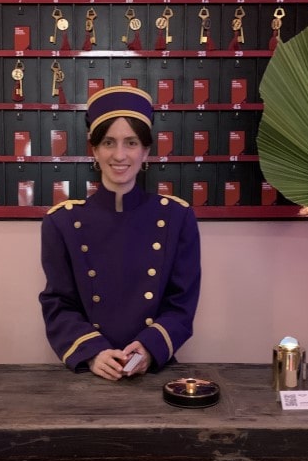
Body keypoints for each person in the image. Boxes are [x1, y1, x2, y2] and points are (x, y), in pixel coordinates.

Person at [38, 85, 202, 381]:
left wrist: (150, 348)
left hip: (154, 370)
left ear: (146, 151)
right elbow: (58, 304)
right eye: (109, 143)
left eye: (131, 142)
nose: (120, 155)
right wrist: (93, 353)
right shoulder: (61, 222)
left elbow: (182, 304)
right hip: (89, 371)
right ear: (95, 150)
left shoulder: (178, 217)